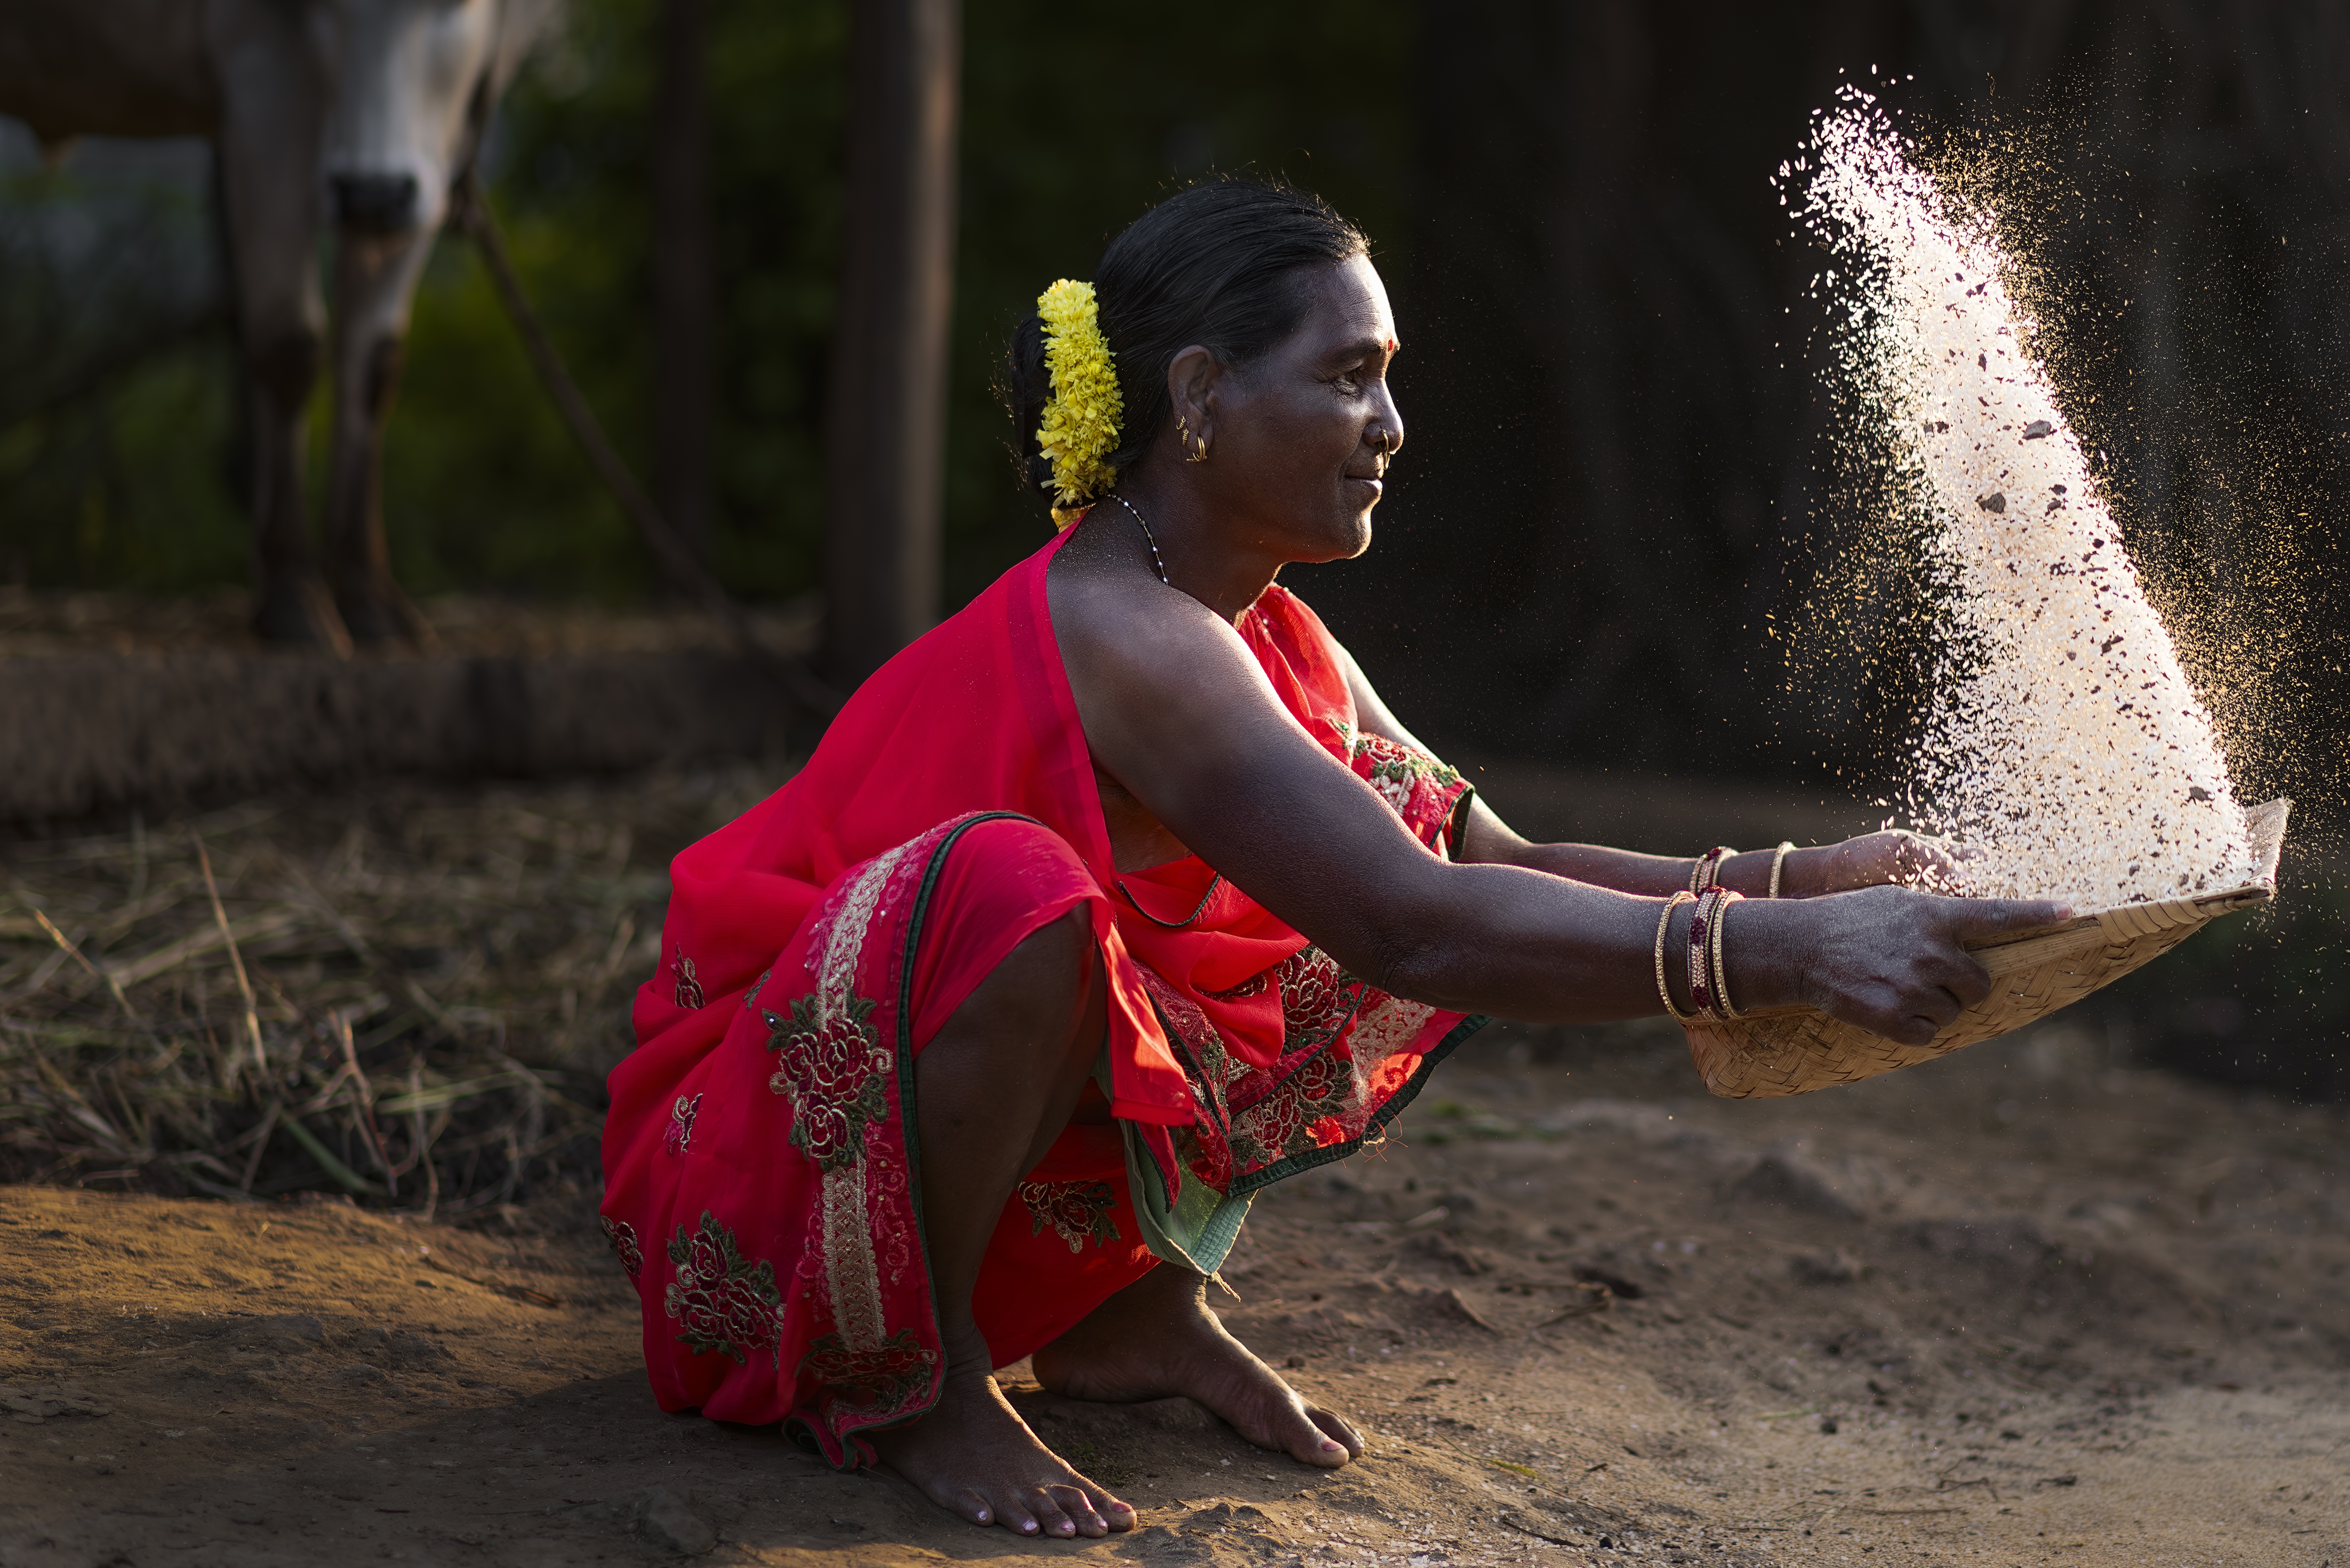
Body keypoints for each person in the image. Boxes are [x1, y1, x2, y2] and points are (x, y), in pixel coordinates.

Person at [599, 181, 2066, 1539]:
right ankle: (919, 1382)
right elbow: (1416, 930)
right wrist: (1796, 959)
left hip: (890, 1159)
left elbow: (1496, 853)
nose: (1394, 423)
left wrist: (1808, 880)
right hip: (747, 1193)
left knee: (1301, 873)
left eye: (1388, 373)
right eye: (1349, 372)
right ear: (1198, 397)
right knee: (1021, 893)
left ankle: (1120, 1309)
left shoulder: (1270, 634)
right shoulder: (1131, 633)